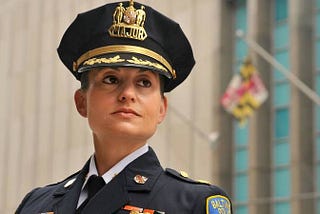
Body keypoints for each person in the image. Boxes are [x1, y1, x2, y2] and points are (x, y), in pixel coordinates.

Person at [16, 1, 232, 213]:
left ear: (161, 109)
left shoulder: (192, 204)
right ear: (82, 102)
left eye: (144, 82)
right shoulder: (36, 204)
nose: (128, 94)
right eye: (111, 79)